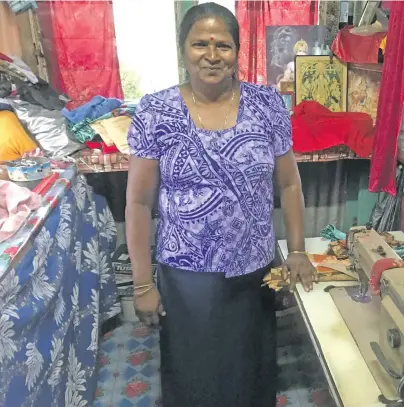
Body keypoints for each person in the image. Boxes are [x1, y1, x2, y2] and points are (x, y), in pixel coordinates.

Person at [125, 3, 317, 407]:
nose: (212, 55)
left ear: (236, 51)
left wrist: (297, 251)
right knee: (194, 375)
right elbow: (139, 202)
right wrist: (143, 284)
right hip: (186, 276)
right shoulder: (155, 112)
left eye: (223, 45)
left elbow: (289, 183)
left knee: (249, 372)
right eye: (199, 44)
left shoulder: (267, 106)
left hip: (253, 274)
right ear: (183, 50)